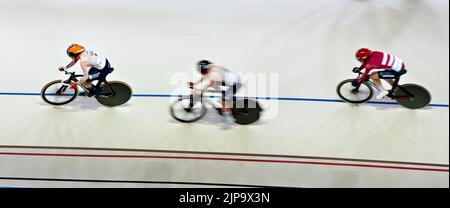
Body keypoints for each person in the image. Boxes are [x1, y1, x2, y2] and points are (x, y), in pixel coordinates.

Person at [189, 60, 242, 129]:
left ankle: (228, 119)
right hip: (233, 79)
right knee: (213, 85)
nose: (201, 72)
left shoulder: (213, 74)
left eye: (202, 71)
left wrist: (196, 90)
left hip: (235, 84)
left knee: (222, 101)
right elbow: (205, 78)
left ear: (205, 69)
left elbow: (205, 83)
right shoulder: (213, 68)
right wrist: (195, 83)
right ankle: (228, 99)